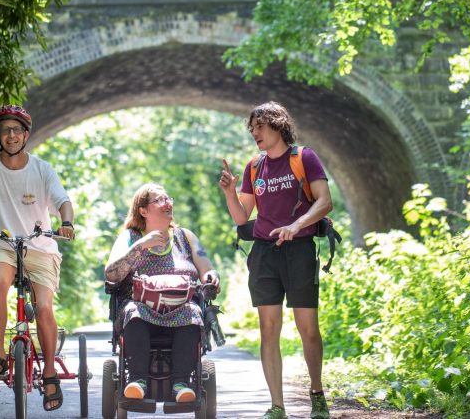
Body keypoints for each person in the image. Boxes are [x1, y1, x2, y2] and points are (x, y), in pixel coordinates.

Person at [219, 101, 332, 419]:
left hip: (299, 250)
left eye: (260, 126)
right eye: (252, 128)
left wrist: (296, 225)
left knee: (308, 328)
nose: (255, 132)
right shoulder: (254, 167)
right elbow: (243, 218)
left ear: (278, 124)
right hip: (264, 254)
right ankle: (277, 406)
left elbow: (325, 202)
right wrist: (229, 192)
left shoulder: (303, 158)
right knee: (268, 330)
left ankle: (317, 393)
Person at [0, 104, 75, 412]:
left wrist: (66, 222)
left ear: (26, 134)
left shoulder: (42, 169)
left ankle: (49, 372)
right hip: (2, 245)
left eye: (16, 130)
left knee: (45, 308)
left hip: (40, 247)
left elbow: (63, 201)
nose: (11, 135)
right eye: (5, 130)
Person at [105, 183, 220, 403]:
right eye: (159, 199)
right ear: (143, 210)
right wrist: (140, 246)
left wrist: (212, 277)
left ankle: (181, 384)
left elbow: (207, 269)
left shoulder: (185, 237)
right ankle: (137, 382)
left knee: (194, 311)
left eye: (168, 198)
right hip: (142, 309)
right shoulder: (130, 237)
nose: (167, 203)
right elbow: (111, 274)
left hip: (181, 308)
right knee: (132, 310)